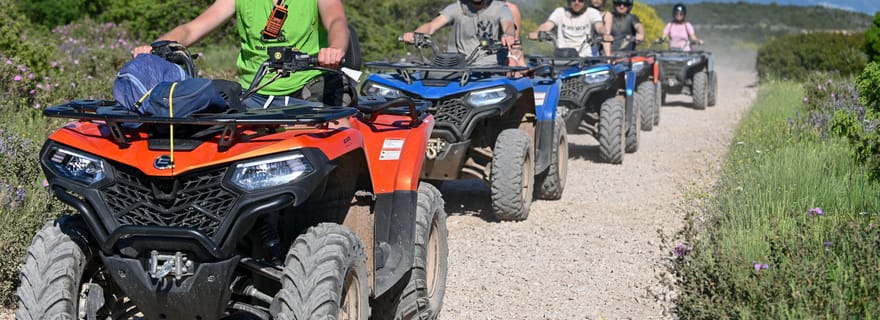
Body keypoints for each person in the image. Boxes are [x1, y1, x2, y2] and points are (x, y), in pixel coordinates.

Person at [132, 0, 350, 110]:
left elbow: (337, 21)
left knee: (336, 135)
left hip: (308, 84)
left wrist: (335, 49)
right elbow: (192, 29)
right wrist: (155, 49)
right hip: (254, 92)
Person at [402, 0, 518, 67]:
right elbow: (431, 26)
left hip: (491, 70)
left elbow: (509, 26)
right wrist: (416, 35)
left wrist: (508, 36)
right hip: (458, 69)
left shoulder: (500, 9)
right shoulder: (457, 8)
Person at [528, 0, 608, 58]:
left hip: (584, 58)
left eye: (580, 0)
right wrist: (537, 32)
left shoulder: (592, 12)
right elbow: (547, 25)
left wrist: (605, 34)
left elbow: (599, 26)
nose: (576, 2)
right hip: (562, 57)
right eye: (573, 0)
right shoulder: (560, 12)